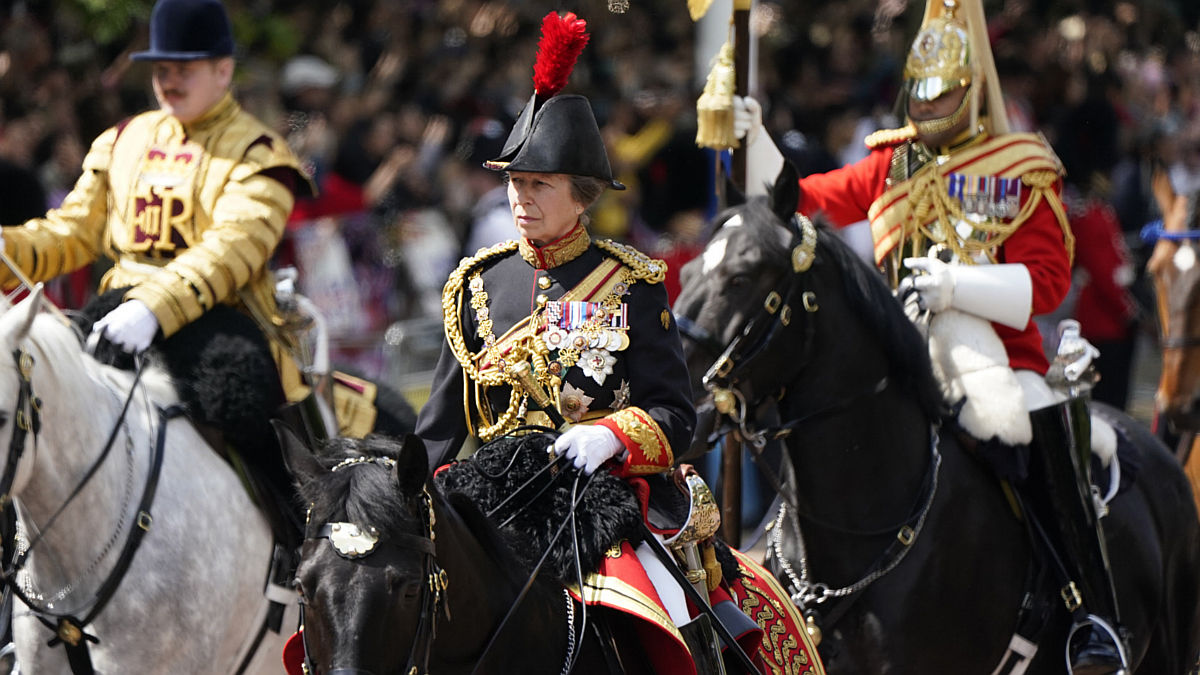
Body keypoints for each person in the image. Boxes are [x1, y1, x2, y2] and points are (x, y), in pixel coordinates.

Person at [733, 0, 1127, 672]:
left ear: (971, 90)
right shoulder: (891, 165)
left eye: (942, 89)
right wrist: (755, 135)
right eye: (920, 89)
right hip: (901, 352)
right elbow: (802, 200)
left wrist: (957, 288)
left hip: (1002, 354)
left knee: (1034, 428)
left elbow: (1048, 284)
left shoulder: (1019, 167)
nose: (929, 102)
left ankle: (1088, 610)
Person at [415, 11, 731, 672]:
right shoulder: (476, 283)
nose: (521, 198)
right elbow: (439, 431)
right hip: (488, 501)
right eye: (515, 182)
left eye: (539, 184)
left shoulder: (632, 284)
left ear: (582, 196)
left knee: (666, 611)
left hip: (600, 498)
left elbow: (679, 416)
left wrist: (614, 436)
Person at [0, 0, 319, 531]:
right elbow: (72, 233)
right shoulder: (123, 140)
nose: (169, 82)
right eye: (161, 70)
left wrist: (153, 307)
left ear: (224, 70)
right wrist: (5, 249)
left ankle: (299, 539)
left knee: (239, 396)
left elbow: (229, 253)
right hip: (116, 303)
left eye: (184, 69)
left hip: (220, 315)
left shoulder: (261, 155)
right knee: (29, 392)